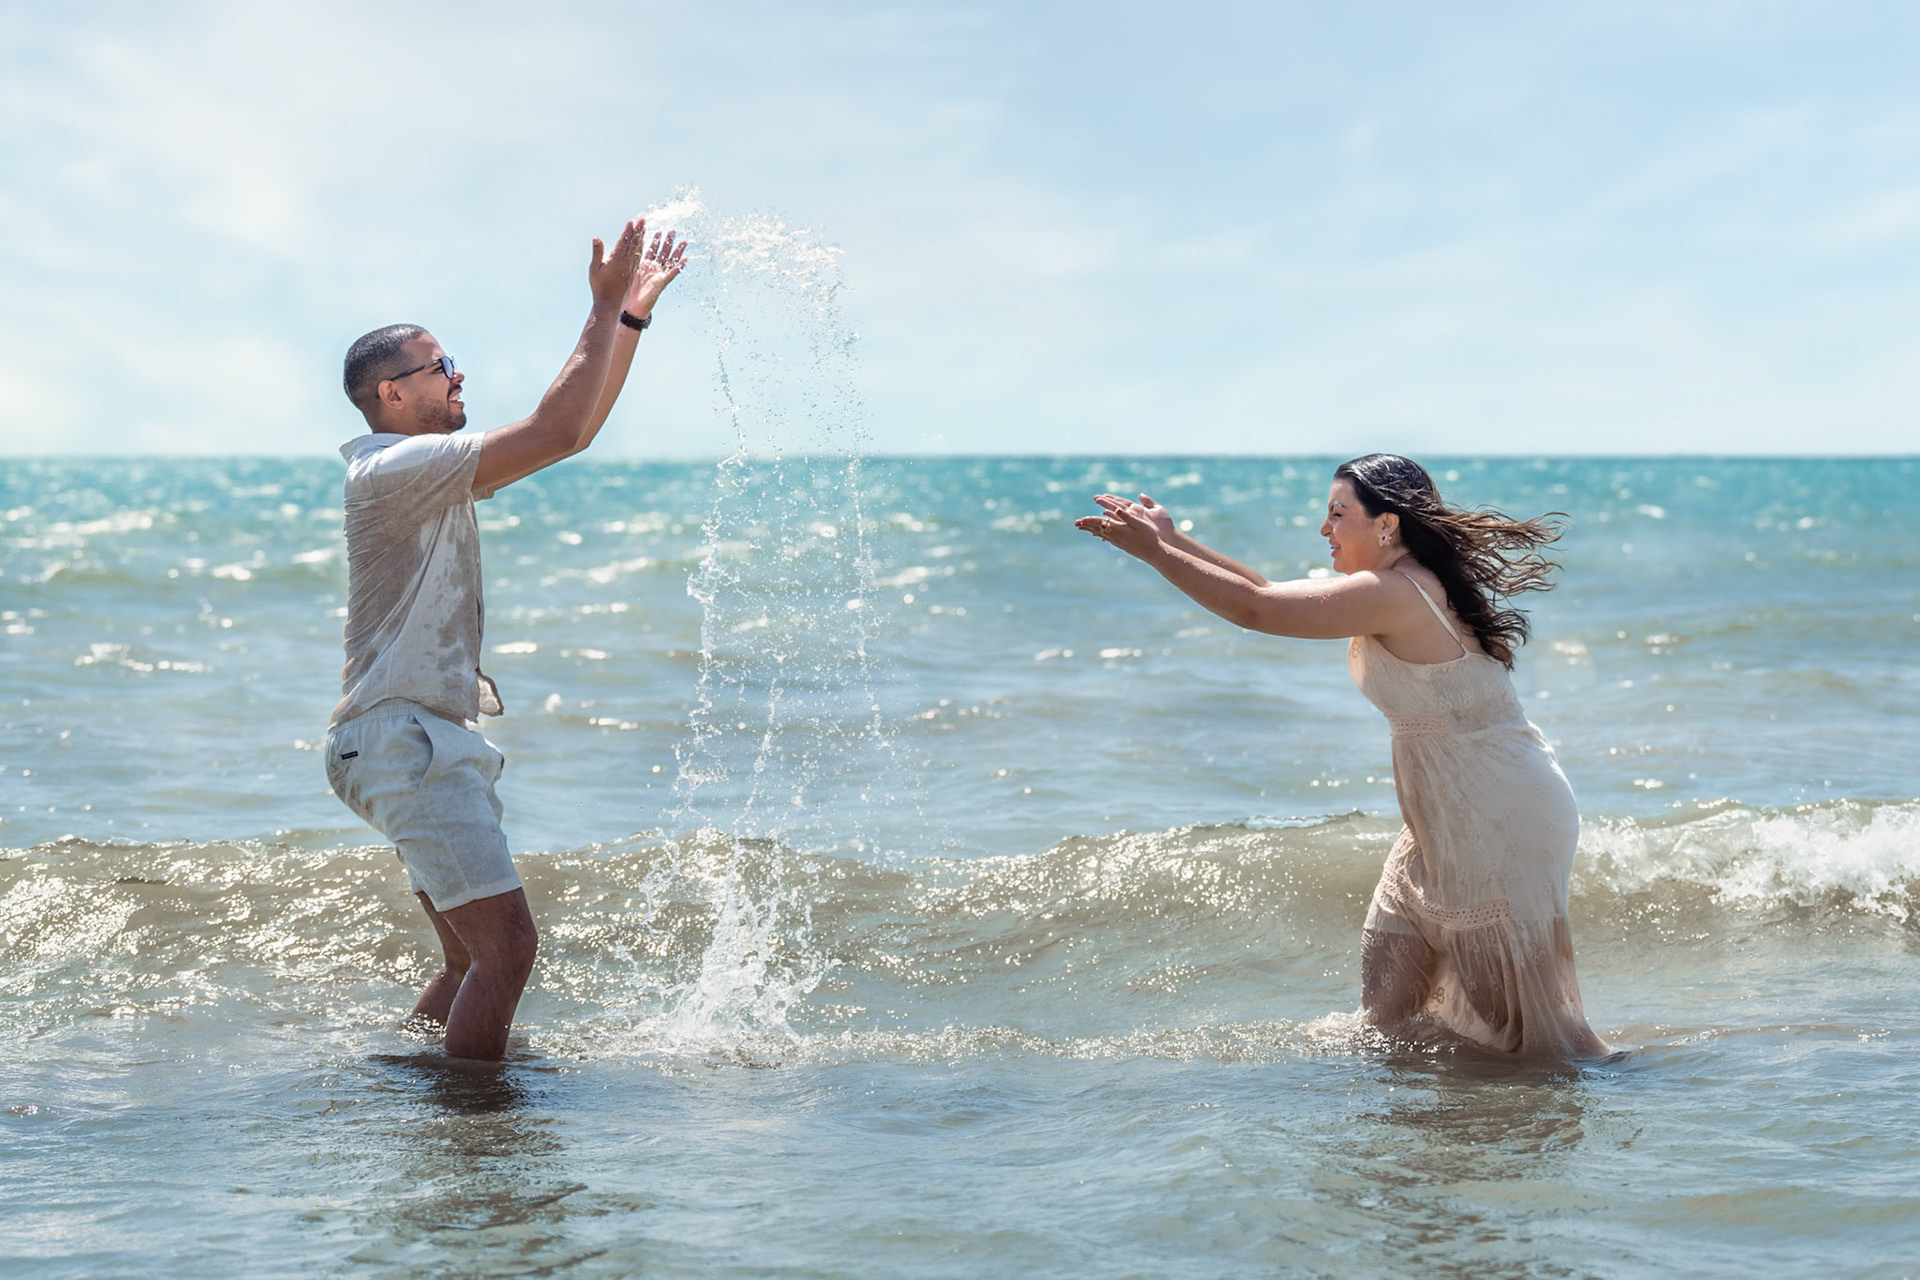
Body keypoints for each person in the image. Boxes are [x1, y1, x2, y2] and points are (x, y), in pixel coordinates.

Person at [1076, 455, 1608, 1059]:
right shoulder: (1391, 585)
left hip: (1498, 812)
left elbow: (1257, 612)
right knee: (1384, 1013)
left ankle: (1643, 1087)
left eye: (1337, 514)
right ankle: (1395, 1132)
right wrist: (1174, 540)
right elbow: (1265, 591)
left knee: (1533, 1039)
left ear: (1387, 525)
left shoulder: (1398, 591)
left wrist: (1155, 554)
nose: (1324, 530)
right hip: (1444, 812)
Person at [323, 215, 687, 1061]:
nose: (457, 376)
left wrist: (625, 320)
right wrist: (601, 311)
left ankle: (413, 1082)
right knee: (507, 949)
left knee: (466, 959)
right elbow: (555, 430)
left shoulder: (421, 472)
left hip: (407, 736)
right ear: (393, 395)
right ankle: (478, 1127)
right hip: (403, 736)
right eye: (439, 366)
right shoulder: (392, 469)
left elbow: (576, 432)